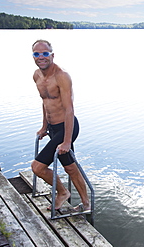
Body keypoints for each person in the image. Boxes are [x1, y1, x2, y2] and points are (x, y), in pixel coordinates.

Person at [31, 39, 90, 211]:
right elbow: (45, 102)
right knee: (70, 167)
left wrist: (66, 140)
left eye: (45, 53)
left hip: (67, 127)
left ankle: (63, 192)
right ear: (33, 56)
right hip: (52, 128)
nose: (41, 57)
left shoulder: (62, 76)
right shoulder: (37, 75)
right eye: (37, 54)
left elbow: (69, 109)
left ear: (52, 55)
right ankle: (86, 204)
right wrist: (44, 126)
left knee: (37, 167)